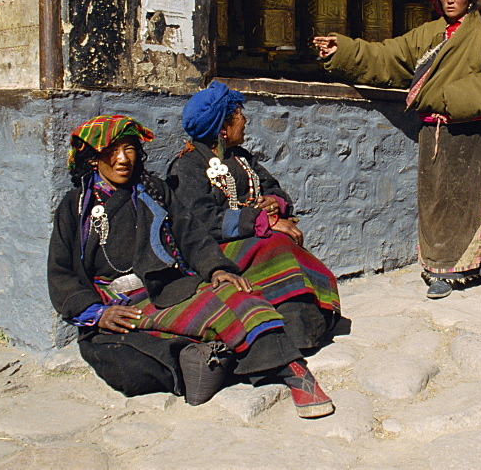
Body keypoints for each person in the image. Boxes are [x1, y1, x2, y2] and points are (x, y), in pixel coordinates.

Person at [47, 114, 334, 418]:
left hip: (167, 286)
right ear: (93, 160)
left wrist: (216, 269)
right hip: (121, 305)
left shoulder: (153, 192)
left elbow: (192, 236)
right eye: (111, 152)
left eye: (129, 149)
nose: (122, 160)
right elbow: (60, 272)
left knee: (238, 298)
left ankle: (293, 371)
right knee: (132, 362)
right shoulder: (76, 208)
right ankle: (222, 359)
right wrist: (99, 314)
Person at [312, 0, 481, 299]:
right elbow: (386, 56)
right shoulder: (427, 34)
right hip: (435, 133)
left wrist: (446, 98)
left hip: (473, 134)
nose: (450, 0)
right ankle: (440, 269)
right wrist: (343, 50)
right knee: (438, 203)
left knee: (477, 204)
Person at [166, 82, 341, 352]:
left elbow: (273, 187)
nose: (245, 120)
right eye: (238, 115)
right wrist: (262, 221)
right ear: (222, 128)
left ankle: (308, 317)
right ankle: (292, 327)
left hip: (256, 238)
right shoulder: (187, 166)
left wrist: (274, 202)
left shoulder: (242, 158)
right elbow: (201, 220)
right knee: (277, 246)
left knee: (282, 245)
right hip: (217, 249)